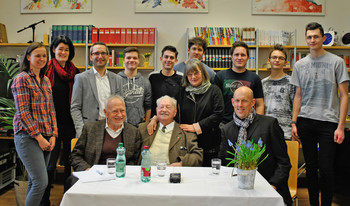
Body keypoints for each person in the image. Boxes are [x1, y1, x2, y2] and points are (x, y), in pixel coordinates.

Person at [291, 22, 349, 206]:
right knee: (310, 166)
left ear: (323, 38)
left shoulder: (337, 62)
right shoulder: (300, 65)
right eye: (309, 37)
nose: (312, 40)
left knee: (326, 169)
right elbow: (298, 96)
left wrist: (341, 126)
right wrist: (294, 122)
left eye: (316, 36)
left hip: (329, 123)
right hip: (305, 121)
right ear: (306, 39)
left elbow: (344, 96)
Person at [218, 86, 292, 206]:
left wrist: (273, 185)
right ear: (232, 102)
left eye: (244, 101)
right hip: (237, 189)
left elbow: (283, 162)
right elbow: (224, 162)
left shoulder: (269, 124)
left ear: (253, 103)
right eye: (237, 101)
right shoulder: (226, 129)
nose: (240, 105)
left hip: (268, 188)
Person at [11, 42, 58, 206]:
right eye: (37, 55)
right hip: (28, 137)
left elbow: (51, 108)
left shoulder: (45, 80)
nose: (41, 59)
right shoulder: (21, 79)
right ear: (28, 57)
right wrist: (39, 138)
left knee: (34, 182)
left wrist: (53, 134)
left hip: (46, 136)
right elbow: (23, 112)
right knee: (41, 183)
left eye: (44, 55)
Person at [40, 35, 79, 206]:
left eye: (66, 49)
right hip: (50, 127)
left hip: (70, 124)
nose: (63, 52)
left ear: (70, 52)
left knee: (71, 166)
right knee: (49, 166)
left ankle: (68, 199)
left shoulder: (75, 72)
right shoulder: (45, 71)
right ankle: (44, 201)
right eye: (60, 49)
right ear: (53, 50)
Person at [70, 95, 141, 171]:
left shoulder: (133, 132)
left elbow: (135, 160)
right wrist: (87, 169)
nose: (120, 115)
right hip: (95, 175)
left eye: (122, 111)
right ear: (105, 113)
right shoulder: (90, 129)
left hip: (121, 175)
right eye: (115, 111)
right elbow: (75, 156)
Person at [71, 42, 122, 137]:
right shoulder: (81, 78)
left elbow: (121, 107)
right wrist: (81, 130)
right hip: (89, 129)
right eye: (96, 53)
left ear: (108, 56)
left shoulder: (117, 79)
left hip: (112, 129)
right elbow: (75, 107)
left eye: (103, 53)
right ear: (91, 57)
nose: (100, 56)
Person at [139, 95, 203, 166]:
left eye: (168, 107)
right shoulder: (144, 128)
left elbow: (198, 156)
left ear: (175, 112)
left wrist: (182, 163)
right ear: (157, 110)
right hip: (146, 173)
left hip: (172, 173)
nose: (164, 110)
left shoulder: (186, 133)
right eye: (161, 107)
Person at [212, 41, 264, 124]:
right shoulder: (220, 76)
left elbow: (259, 104)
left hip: (248, 123)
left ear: (248, 57)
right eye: (236, 54)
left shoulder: (255, 78)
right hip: (224, 124)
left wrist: (257, 124)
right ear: (231, 57)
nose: (239, 58)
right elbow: (213, 103)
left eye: (243, 55)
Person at [262, 44, 296, 140]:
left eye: (281, 58)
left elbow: (296, 108)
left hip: (286, 133)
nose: (277, 60)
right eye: (274, 57)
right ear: (269, 60)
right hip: (267, 132)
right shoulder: (263, 83)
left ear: (285, 62)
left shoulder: (292, 82)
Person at [117, 47, 152, 127]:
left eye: (135, 58)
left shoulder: (145, 82)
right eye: (128, 58)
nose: (131, 60)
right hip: (120, 125)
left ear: (138, 61)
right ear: (123, 60)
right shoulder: (116, 80)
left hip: (139, 125)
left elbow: (148, 106)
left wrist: (145, 125)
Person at [148, 45, 183, 116]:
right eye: (166, 57)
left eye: (172, 57)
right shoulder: (152, 77)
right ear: (161, 59)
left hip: (174, 120)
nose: (168, 60)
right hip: (155, 120)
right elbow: (149, 101)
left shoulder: (181, 78)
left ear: (176, 61)